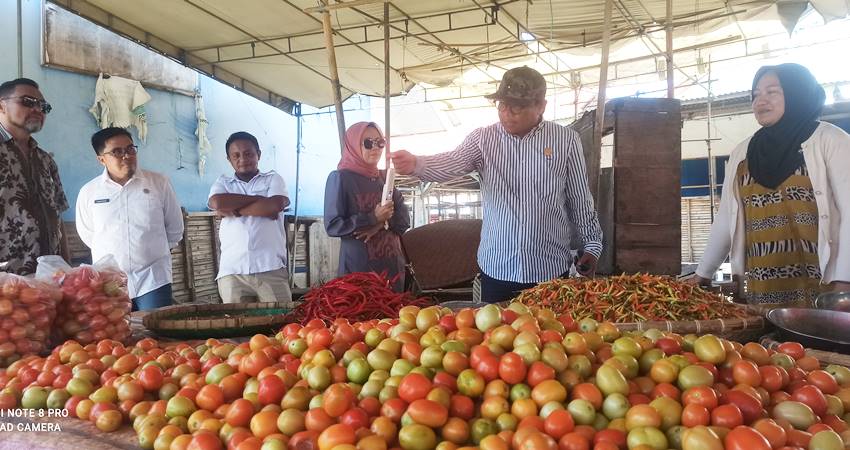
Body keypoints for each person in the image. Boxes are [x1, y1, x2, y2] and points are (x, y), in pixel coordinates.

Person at [391, 66, 603, 303]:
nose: (506, 113)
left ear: (541, 106)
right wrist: (417, 164)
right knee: (496, 337)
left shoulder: (565, 140)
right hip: (498, 268)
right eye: (501, 105)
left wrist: (592, 245)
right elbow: (453, 161)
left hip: (550, 268)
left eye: (516, 107)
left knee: (551, 337)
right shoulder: (483, 139)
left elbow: (579, 198)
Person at [692, 63, 850, 305]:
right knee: (763, 342)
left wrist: (844, 279)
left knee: (814, 342)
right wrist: (702, 274)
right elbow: (726, 218)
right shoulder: (742, 153)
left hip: (823, 286)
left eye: (772, 92)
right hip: (761, 287)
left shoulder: (831, 141)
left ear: (798, 93)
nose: (760, 101)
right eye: (756, 95)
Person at [76, 127, 184, 311]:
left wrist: (150, 252)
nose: (126, 156)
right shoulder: (89, 192)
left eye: (130, 149)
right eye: (117, 152)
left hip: (153, 278)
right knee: (116, 335)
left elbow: (174, 229)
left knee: (155, 334)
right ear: (102, 159)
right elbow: (88, 234)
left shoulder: (159, 183)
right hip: (110, 282)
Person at [324, 122, 410, 291]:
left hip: (393, 272)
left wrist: (379, 223)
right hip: (359, 274)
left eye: (380, 143)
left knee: (395, 317)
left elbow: (404, 221)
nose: (375, 148)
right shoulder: (341, 179)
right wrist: (371, 218)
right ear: (354, 145)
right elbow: (333, 225)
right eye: (368, 143)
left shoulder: (385, 177)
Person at [208, 131, 292, 303]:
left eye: (248, 154)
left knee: (282, 323)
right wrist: (260, 201)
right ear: (229, 159)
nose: (242, 159)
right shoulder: (222, 183)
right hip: (232, 271)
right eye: (236, 155)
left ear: (258, 155)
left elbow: (274, 206)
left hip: (270, 267)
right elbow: (217, 203)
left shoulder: (273, 179)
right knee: (237, 327)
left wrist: (235, 210)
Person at [0, 78, 69, 275]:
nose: (38, 109)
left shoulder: (45, 160)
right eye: (28, 101)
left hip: (50, 277)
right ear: (1, 106)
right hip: (7, 281)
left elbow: (57, 216)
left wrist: (66, 267)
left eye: (43, 106)